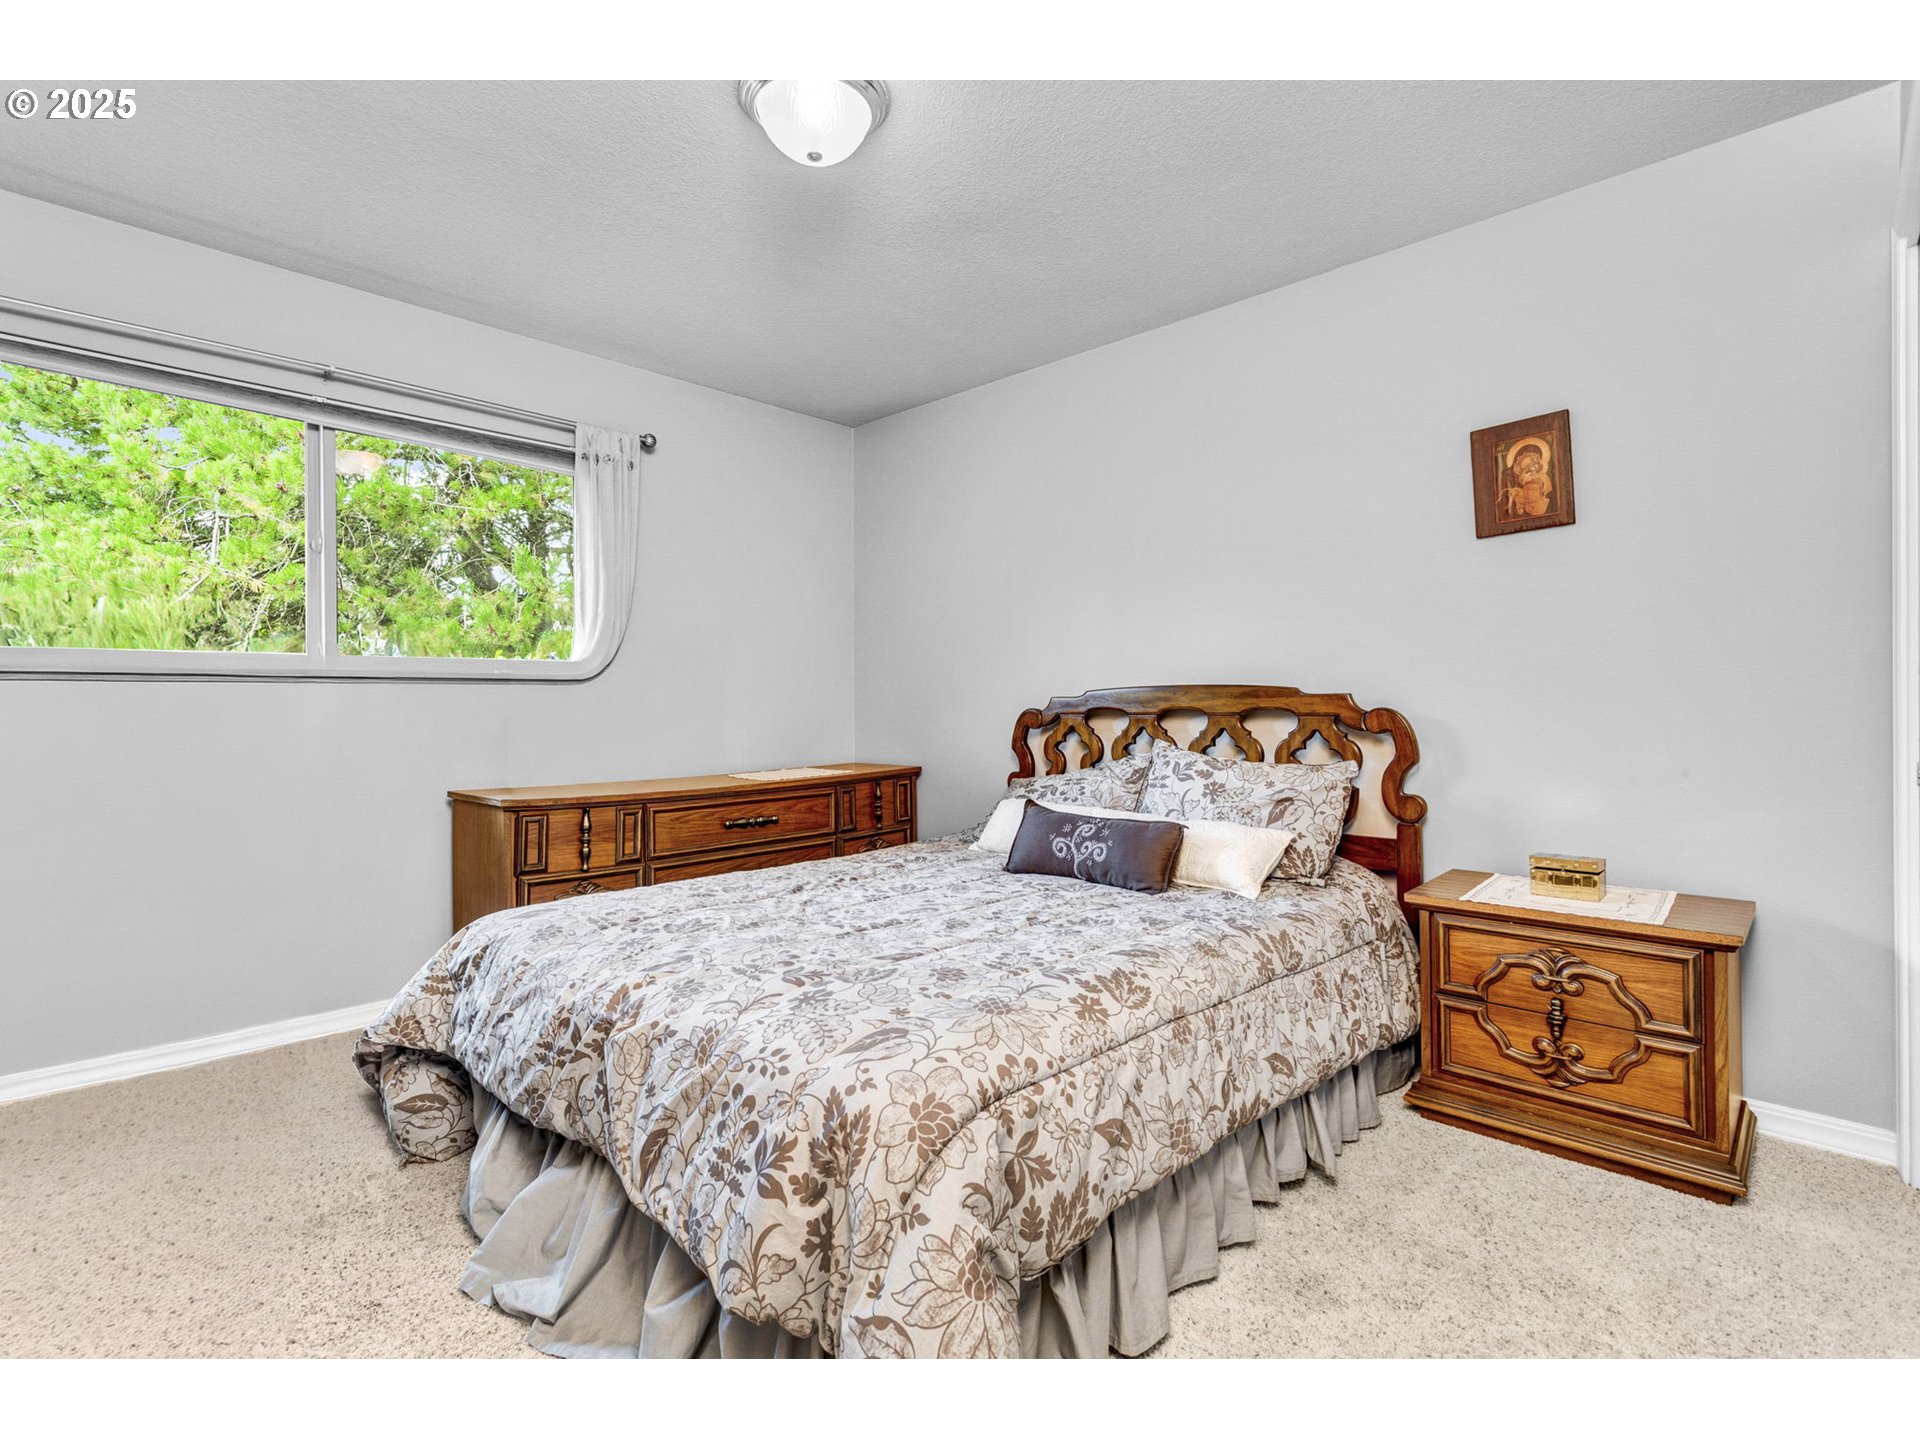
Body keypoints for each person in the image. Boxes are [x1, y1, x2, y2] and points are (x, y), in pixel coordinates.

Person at [1497, 440, 1555, 520]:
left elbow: (1547, 490)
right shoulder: (1513, 476)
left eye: (1533, 465)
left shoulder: (1541, 476)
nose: (1531, 469)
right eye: (1526, 468)